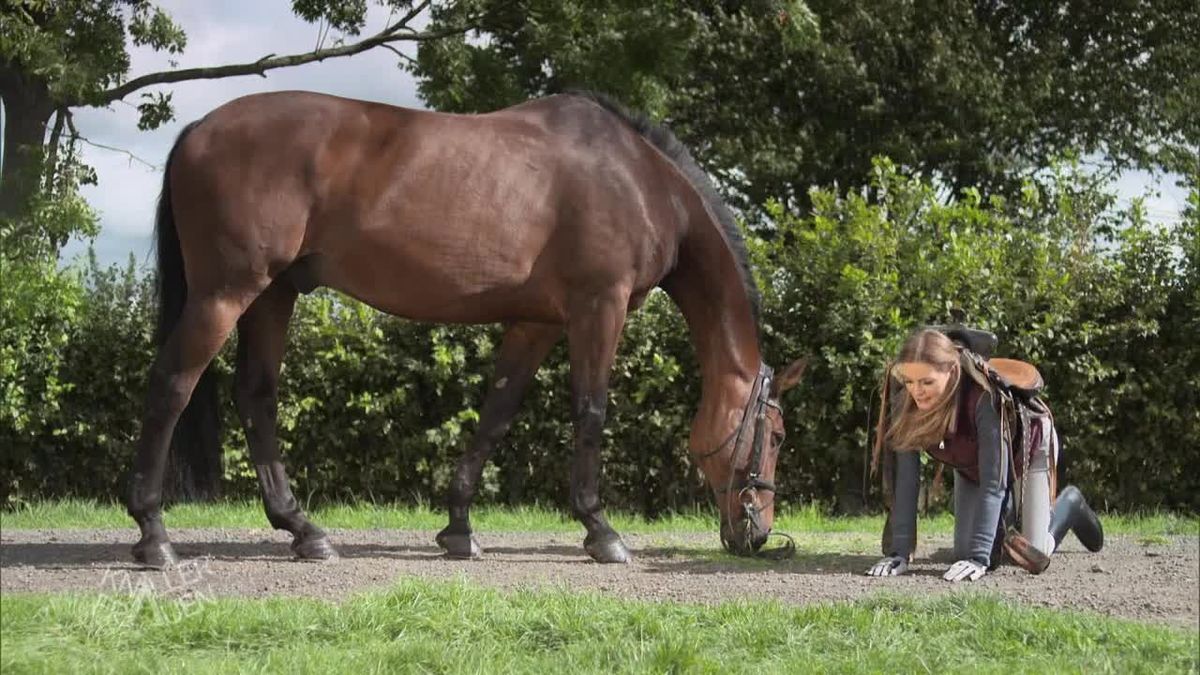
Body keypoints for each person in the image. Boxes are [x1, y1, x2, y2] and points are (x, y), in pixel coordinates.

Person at [866, 328, 1104, 582]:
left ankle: (1071, 503)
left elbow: (994, 481)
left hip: (1028, 450)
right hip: (970, 462)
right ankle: (1002, 520)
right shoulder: (906, 402)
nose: (917, 391)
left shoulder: (982, 399)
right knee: (962, 552)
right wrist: (899, 553)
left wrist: (979, 558)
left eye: (927, 382)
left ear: (952, 372)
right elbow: (906, 480)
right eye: (910, 382)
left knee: (1033, 550)